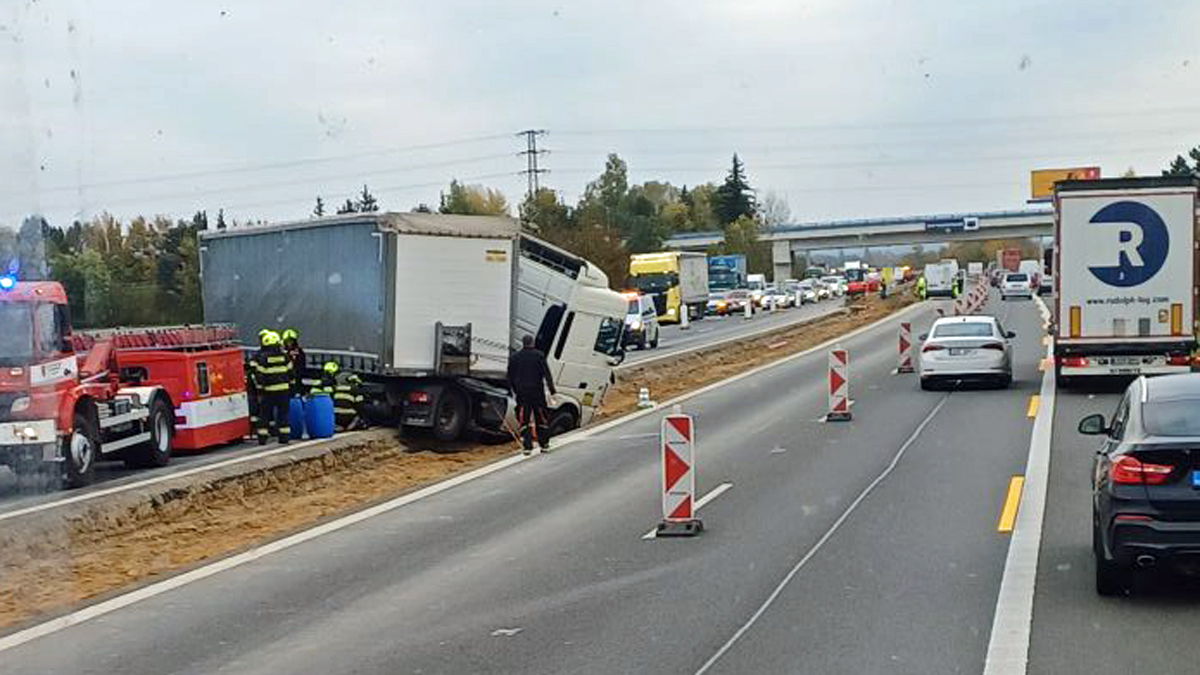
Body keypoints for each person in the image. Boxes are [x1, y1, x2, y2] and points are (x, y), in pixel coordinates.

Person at [506, 334, 557, 454]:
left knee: (524, 419)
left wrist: (514, 390)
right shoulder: (539, 356)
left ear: (523, 343)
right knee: (541, 417)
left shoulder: (514, 357)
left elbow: (509, 377)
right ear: (532, 343)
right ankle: (544, 444)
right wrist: (552, 390)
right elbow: (547, 374)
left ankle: (527, 446)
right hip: (537, 392)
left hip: (522, 393)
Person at [252, 330, 294, 445]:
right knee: (283, 414)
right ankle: (284, 438)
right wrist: (291, 386)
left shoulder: (263, 358)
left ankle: (262, 438)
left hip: (269, 392)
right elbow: (291, 373)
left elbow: (259, 375)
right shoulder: (285, 357)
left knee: (264, 415)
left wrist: (260, 388)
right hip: (284, 391)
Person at [322, 361, 366, 431]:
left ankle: (339, 426)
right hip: (349, 417)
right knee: (360, 419)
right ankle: (351, 425)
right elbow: (360, 406)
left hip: (336, 416)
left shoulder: (335, 388)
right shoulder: (355, 389)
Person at [281, 328, 315, 396]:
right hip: (283, 380)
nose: (289, 343)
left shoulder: (299, 352)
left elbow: (302, 365)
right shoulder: (281, 352)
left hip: (296, 380)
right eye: (287, 341)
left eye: (291, 341)